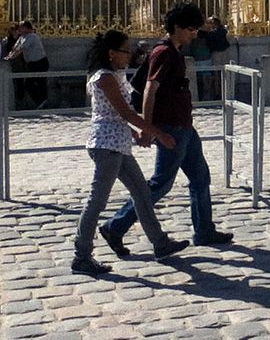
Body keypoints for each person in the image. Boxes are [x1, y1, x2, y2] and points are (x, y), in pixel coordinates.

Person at [100, 2, 233, 254]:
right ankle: (116, 226)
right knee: (161, 184)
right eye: (191, 28)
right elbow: (151, 89)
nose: (195, 33)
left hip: (184, 126)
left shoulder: (175, 51)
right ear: (177, 27)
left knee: (200, 176)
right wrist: (149, 128)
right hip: (171, 127)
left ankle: (204, 229)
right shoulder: (164, 53)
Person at [73, 31, 190, 275]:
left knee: (142, 192)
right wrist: (157, 133)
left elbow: (117, 115)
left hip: (118, 143)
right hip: (107, 145)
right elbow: (125, 112)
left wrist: (134, 134)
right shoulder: (104, 78)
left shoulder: (115, 75)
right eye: (126, 50)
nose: (130, 54)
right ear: (112, 53)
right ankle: (81, 255)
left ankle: (160, 243)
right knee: (97, 201)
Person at [3, 20, 49, 109]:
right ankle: (41, 102)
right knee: (29, 84)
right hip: (31, 63)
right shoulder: (22, 37)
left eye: (21, 27)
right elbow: (15, 48)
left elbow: (21, 49)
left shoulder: (32, 36)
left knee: (40, 83)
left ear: (26, 28)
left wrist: (11, 57)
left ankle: (43, 102)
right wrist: (8, 56)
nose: (19, 29)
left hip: (40, 62)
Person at [206, 16, 230, 100]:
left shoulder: (212, 33)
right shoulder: (223, 31)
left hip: (216, 53)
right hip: (224, 51)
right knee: (224, 72)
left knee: (216, 73)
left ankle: (217, 93)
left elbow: (209, 41)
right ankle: (225, 91)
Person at [1, 24, 25, 108]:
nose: (14, 32)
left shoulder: (21, 39)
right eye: (12, 30)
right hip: (13, 64)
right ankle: (18, 101)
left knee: (20, 83)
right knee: (15, 83)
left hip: (21, 63)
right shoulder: (9, 40)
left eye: (15, 30)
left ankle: (20, 101)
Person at [190, 23, 213, 100]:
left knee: (199, 79)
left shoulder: (194, 41)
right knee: (207, 79)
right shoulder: (207, 40)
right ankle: (207, 95)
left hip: (198, 60)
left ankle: (202, 95)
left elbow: (191, 50)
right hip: (206, 59)